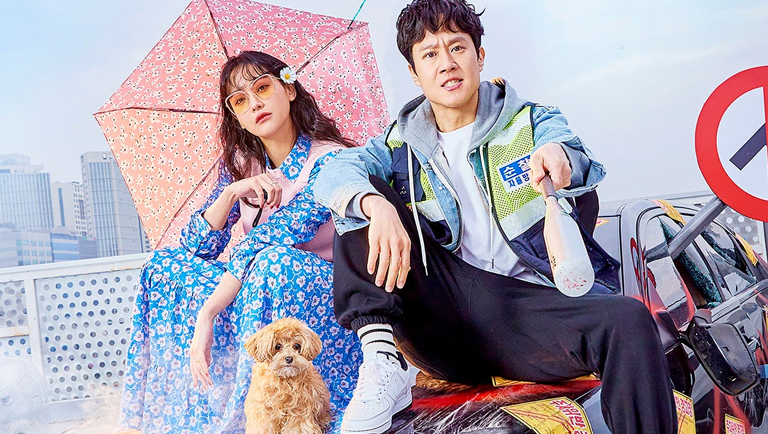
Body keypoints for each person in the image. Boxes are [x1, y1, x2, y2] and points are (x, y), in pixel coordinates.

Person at [313, 1, 677, 434]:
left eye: (457, 48)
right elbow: (333, 174)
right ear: (414, 72)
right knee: (360, 193)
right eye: (429, 54)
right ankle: (382, 361)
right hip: (443, 318)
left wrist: (560, 157)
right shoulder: (397, 145)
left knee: (629, 319)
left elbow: (575, 157)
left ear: (479, 56)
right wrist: (376, 205)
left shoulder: (531, 121)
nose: (446, 64)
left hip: (527, 314)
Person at [120, 51, 362, 434]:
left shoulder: (328, 160)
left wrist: (207, 314)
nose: (255, 104)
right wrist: (232, 192)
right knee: (163, 265)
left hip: (317, 292)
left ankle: (252, 416)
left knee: (274, 261)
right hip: (253, 285)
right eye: (240, 100)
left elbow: (267, 241)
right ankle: (191, 413)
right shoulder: (242, 164)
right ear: (235, 116)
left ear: (289, 89)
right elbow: (196, 248)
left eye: (262, 88)